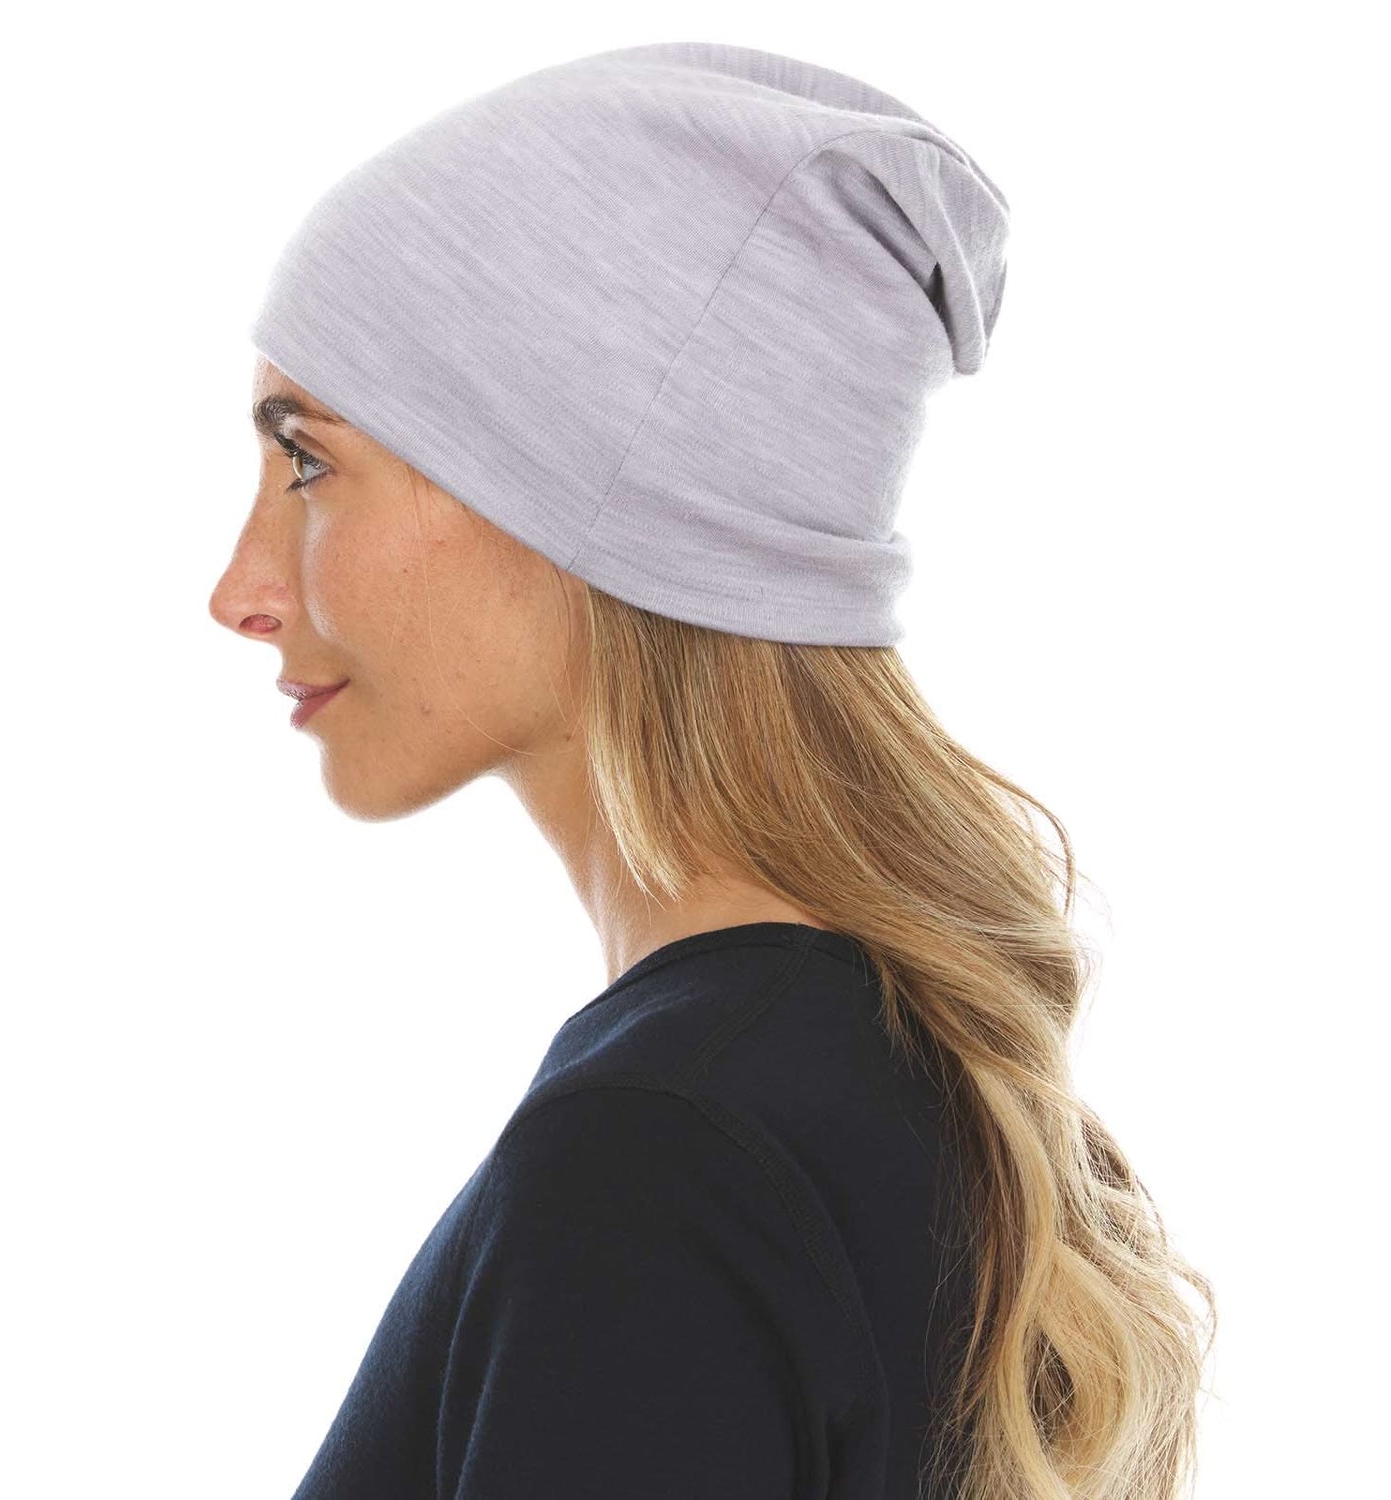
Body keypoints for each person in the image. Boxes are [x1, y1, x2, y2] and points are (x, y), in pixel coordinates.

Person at [210, 41, 1215, 1500]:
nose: (238, 591)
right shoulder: (895, 1086)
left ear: (569, 497)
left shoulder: (653, 1164)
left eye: (307, 461)